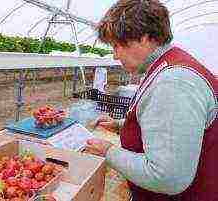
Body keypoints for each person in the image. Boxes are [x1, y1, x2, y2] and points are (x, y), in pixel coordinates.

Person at [85, 0, 218, 200]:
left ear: (145, 37)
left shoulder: (174, 82)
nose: (114, 55)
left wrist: (108, 151)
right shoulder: (167, 65)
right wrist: (121, 125)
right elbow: (170, 127)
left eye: (117, 45)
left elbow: (167, 177)